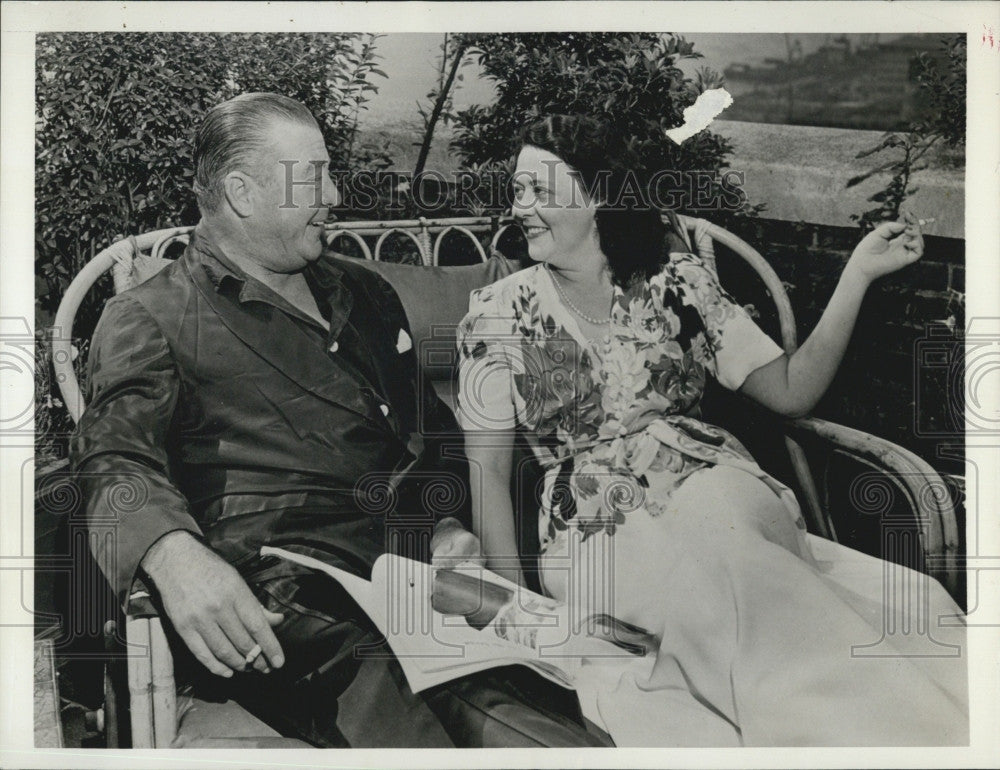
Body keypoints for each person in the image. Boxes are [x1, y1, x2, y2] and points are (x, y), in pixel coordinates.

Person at [70, 94, 612, 748]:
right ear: (242, 193)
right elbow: (109, 459)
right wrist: (170, 551)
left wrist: (446, 526)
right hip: (300, 605)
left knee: (576, 718)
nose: (334, 194)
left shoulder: (366, 293)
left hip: (420, 579)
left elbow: (430, 436)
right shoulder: (152, 315)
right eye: (315, 176)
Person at [455, 114, 968, 746]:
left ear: (599, 195)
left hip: (715, 488)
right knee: (721, 590)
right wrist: (522, 618)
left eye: (540, 189)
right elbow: (488, 475)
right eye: (517, 189)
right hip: (596, 527)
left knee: (729, 550)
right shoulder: (495, 315)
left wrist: (856, 275)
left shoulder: (681, 284)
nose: (520, 206)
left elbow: (791, 390)